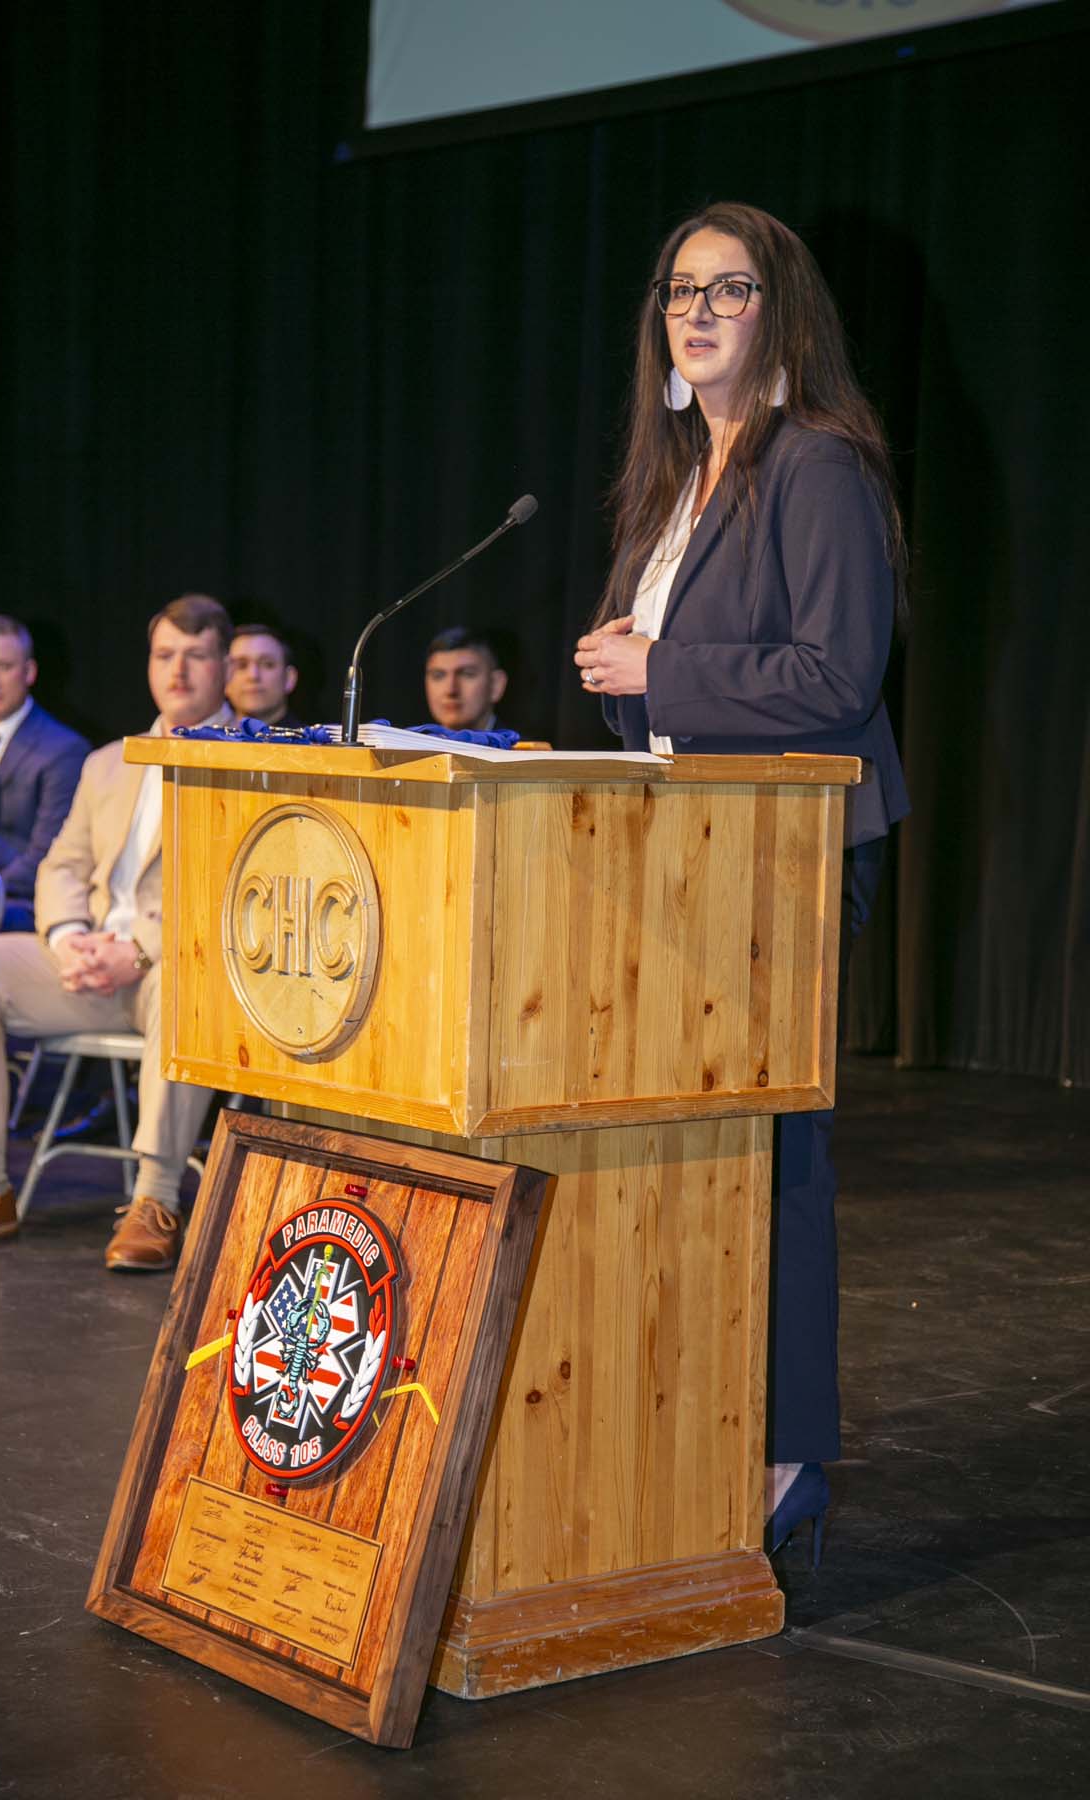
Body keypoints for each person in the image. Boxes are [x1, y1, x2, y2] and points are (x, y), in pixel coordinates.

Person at [574, 202, 909, 1556]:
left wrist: (664, 671)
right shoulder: (676, 480)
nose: (697, 312)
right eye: (677, 292)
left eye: (730, 290)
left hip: (783, 853)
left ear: (785, 314)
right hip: (681, 845)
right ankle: (697, 1419)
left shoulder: (814, 465)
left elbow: (838, 675)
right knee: (691, 1159)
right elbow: (665, 691)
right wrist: (628, 675)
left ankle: (784, 1456)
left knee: (777, 1158)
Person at [0, 594, 236, 1270]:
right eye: (166, 654)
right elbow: (63, 865)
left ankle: (155, 1198)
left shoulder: (264, 761)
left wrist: (140, 949)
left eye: (197, 656)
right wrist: (68, 936)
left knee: (185, 984)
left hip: (177, 965)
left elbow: (243, 895)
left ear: (225, 665)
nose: (179, 670)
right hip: (88, 960)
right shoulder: (109, 762)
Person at [0, 614, 90, 931]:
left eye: (4, 667)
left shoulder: (64, 750)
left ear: (29, 672)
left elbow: (48, 856)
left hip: (18, 905)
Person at [424, 627, 509, 733]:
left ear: (496, 685)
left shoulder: (524, 749)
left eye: (467, 674)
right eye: (438, 676)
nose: (450, 690)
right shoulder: (410, 748)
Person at [225, 622, 300, 727]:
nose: (253, 676)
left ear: (289, 678)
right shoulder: (205, 741)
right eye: (241, 666)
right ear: (224, 679)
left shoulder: (312, 743)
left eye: (267, 665)